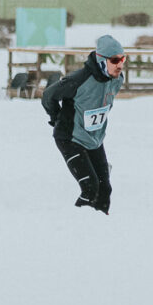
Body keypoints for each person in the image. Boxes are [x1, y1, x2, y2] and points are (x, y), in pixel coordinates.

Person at [42, 34, 127, 212]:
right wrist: (56, 118)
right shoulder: (78, 80)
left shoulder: (117, 80)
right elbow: (49, 95)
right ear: (101, 60)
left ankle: (100, 228)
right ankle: (77, 225)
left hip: (94, 139)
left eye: (123, 59)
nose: (120, 64)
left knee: (105, 189)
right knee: (90, 187)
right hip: (70, 138)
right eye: (115, 60)